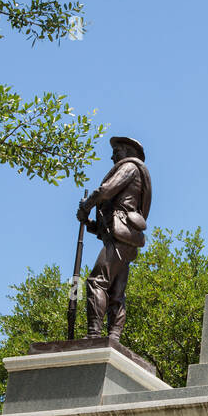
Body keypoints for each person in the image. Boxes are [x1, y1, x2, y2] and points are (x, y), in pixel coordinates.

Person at [76, 136, 151, 340]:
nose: (112, 156)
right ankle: (114, 336)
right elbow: (105, 226)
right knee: (116, 292)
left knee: (96, 281)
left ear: (128, 152)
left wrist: (87, 204)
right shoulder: (135, 172)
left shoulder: (129, 167)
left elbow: (106, 191)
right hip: (125, 237)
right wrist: (88, 222)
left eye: (116, 151)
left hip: (119, 237)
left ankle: (94, 334)